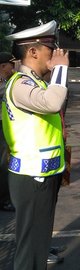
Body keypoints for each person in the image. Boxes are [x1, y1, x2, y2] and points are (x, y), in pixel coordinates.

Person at [2, 20, 69, 269]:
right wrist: (61, 71)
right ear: (33, 51)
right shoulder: (20, 84)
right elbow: (52, 103)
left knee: (37, 244)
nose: (53, 58)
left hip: (44, 172)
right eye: (50, 53)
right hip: (32, 176)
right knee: (29, 251)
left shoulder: (37, 82)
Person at [0, 52, 16, 212]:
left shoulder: (6, 81)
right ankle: (4, 200)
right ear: (3, 66)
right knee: (4, 164)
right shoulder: (4, 84)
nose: (13, 68)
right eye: (11, 65)